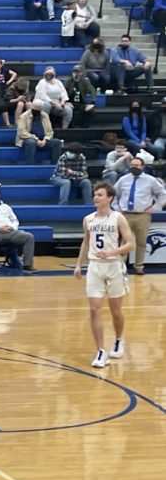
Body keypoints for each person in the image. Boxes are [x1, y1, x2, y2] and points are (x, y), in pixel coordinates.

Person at [74, 182, 134, 369]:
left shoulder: (118, 218)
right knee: (94, 308)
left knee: (116, 310)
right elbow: (86, 241)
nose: (96, 197)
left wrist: (112, 252)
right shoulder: (88, 219)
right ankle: (101, 351)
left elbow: (130, 244)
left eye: (100, 195)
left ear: (109, 198)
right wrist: (78, 264)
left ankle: (118, 339)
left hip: (114, 266)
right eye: (95, 194)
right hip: (95, 267)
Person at [114, 157, 166, 275]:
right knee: (124, 241)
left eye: (137, 165)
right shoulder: (123, 179)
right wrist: (117, 208)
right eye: (132, 165)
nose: (134, 167)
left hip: (142, 215)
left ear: (142, 166)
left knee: (142, 242)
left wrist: (155, 208)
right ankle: (121, 266)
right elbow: (113, 194)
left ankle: (139, 266)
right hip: (125, 215)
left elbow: (163, 195)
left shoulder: (150, 180)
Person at [0, 185, 35, 273]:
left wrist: (12, 227)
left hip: (10, 231)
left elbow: (15, 220)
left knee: (29, 236)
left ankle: (27, 265)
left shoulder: (6, 207)